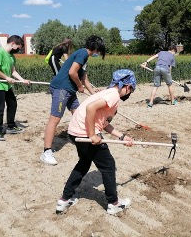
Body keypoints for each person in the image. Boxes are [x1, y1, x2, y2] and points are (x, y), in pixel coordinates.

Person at [56, 69, 136, 216]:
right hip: (84, 133)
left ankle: (65, 199)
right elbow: (90, 108)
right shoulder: (113, 95)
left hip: (74, 131)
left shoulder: (107, 94)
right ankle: (114, 204)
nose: (129, 92)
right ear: (126, 85)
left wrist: (122, 136)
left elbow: (104, 123)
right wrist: (92, 134)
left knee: (84, 163)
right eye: (130, 89)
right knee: (108, 166)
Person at [40, 35, 106, 165]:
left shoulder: (84, 57)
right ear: (96, 48)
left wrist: (94, 94)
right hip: (61, 89)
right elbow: (72, 72)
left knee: (78, 114)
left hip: (69, 90)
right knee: (55, 119)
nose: (98, 53)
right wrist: (80, 87)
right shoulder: (82, 53)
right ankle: (46, 152)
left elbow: (84, 78)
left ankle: (88, 136)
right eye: (99, 51)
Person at [0, 35, 30, 141]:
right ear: (13, 43)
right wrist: (6, 77)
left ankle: (10, 126)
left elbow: (13, 71)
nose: (19, 50)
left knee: (12, 103)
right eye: (18, 47)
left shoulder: (11, 56)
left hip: (6, 84)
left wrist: (22, 80)